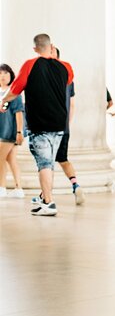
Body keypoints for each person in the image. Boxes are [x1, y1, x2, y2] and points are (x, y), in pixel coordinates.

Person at [0, 34, 73, 216]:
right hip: (59, 124)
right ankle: (45, 197)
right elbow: (65, 82)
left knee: (44, 164)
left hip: (40, 124)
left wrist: (2, 100)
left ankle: (48, 203)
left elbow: (15, 90)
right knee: (49, 163)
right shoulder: (66, 68)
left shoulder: (30, 64)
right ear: (51, 47)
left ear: (35, 49)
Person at [50, 48, 85, 205]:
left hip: (49, 127)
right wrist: (67, 125)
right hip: (64, 127)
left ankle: (45, 196)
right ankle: (75, 185)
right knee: (63, 159)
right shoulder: (69, 79)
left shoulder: (48, 76)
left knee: (46, 163)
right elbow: (72, 105)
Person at [0, 64, 25, 198]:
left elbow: (19, 112)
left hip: (10, 131)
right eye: (0, 74)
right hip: (3, 130)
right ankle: (18, 188)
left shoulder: (13, 92)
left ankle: (1, 187)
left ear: (11, 75)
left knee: (0, 158)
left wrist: (19, 132)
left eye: (5, 73)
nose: (2, 76)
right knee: (10, 159)